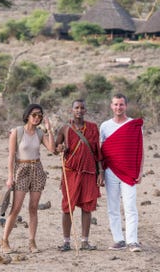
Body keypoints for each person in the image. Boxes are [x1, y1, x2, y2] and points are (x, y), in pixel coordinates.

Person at [0, 103, 55, 254]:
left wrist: (49, 130)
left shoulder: (39, 134)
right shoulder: (17, 132)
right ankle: (5, 240)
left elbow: (52, 148)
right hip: (21, 169)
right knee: (16, 207)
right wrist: (10, 176)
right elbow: (11, 156)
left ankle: (32, 241)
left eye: (40, 115)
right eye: (34, 115)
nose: (37, 118)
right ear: (27, 116)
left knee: (33, 207)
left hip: (37, 169)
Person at [55, 99, 104, 252]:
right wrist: (60, 147)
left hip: (89, 173)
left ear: (85, 111)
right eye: (76, 107)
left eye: (82, 108)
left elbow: (97, 151)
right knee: (67, 207)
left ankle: (84, 241)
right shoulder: (64, 128)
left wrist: (100, 172)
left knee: (87, 207)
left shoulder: (93, 128)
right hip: (70, 172)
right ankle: (66, 242)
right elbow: (56, 147)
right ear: (72, 110)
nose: (79, 110)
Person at [99, 93, 144, 253]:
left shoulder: (134, 125)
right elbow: (102, 151)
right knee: (113, 206)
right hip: (110, 170)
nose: (118, 107)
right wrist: (101, 173)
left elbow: (140, 149)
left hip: (130, 171)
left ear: (126, 106)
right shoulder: (104, 126)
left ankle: (133, 241)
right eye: (116, 104)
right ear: (111, 106)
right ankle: (119, 239)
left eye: (121, 104)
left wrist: (140, 171)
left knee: (130, 206)